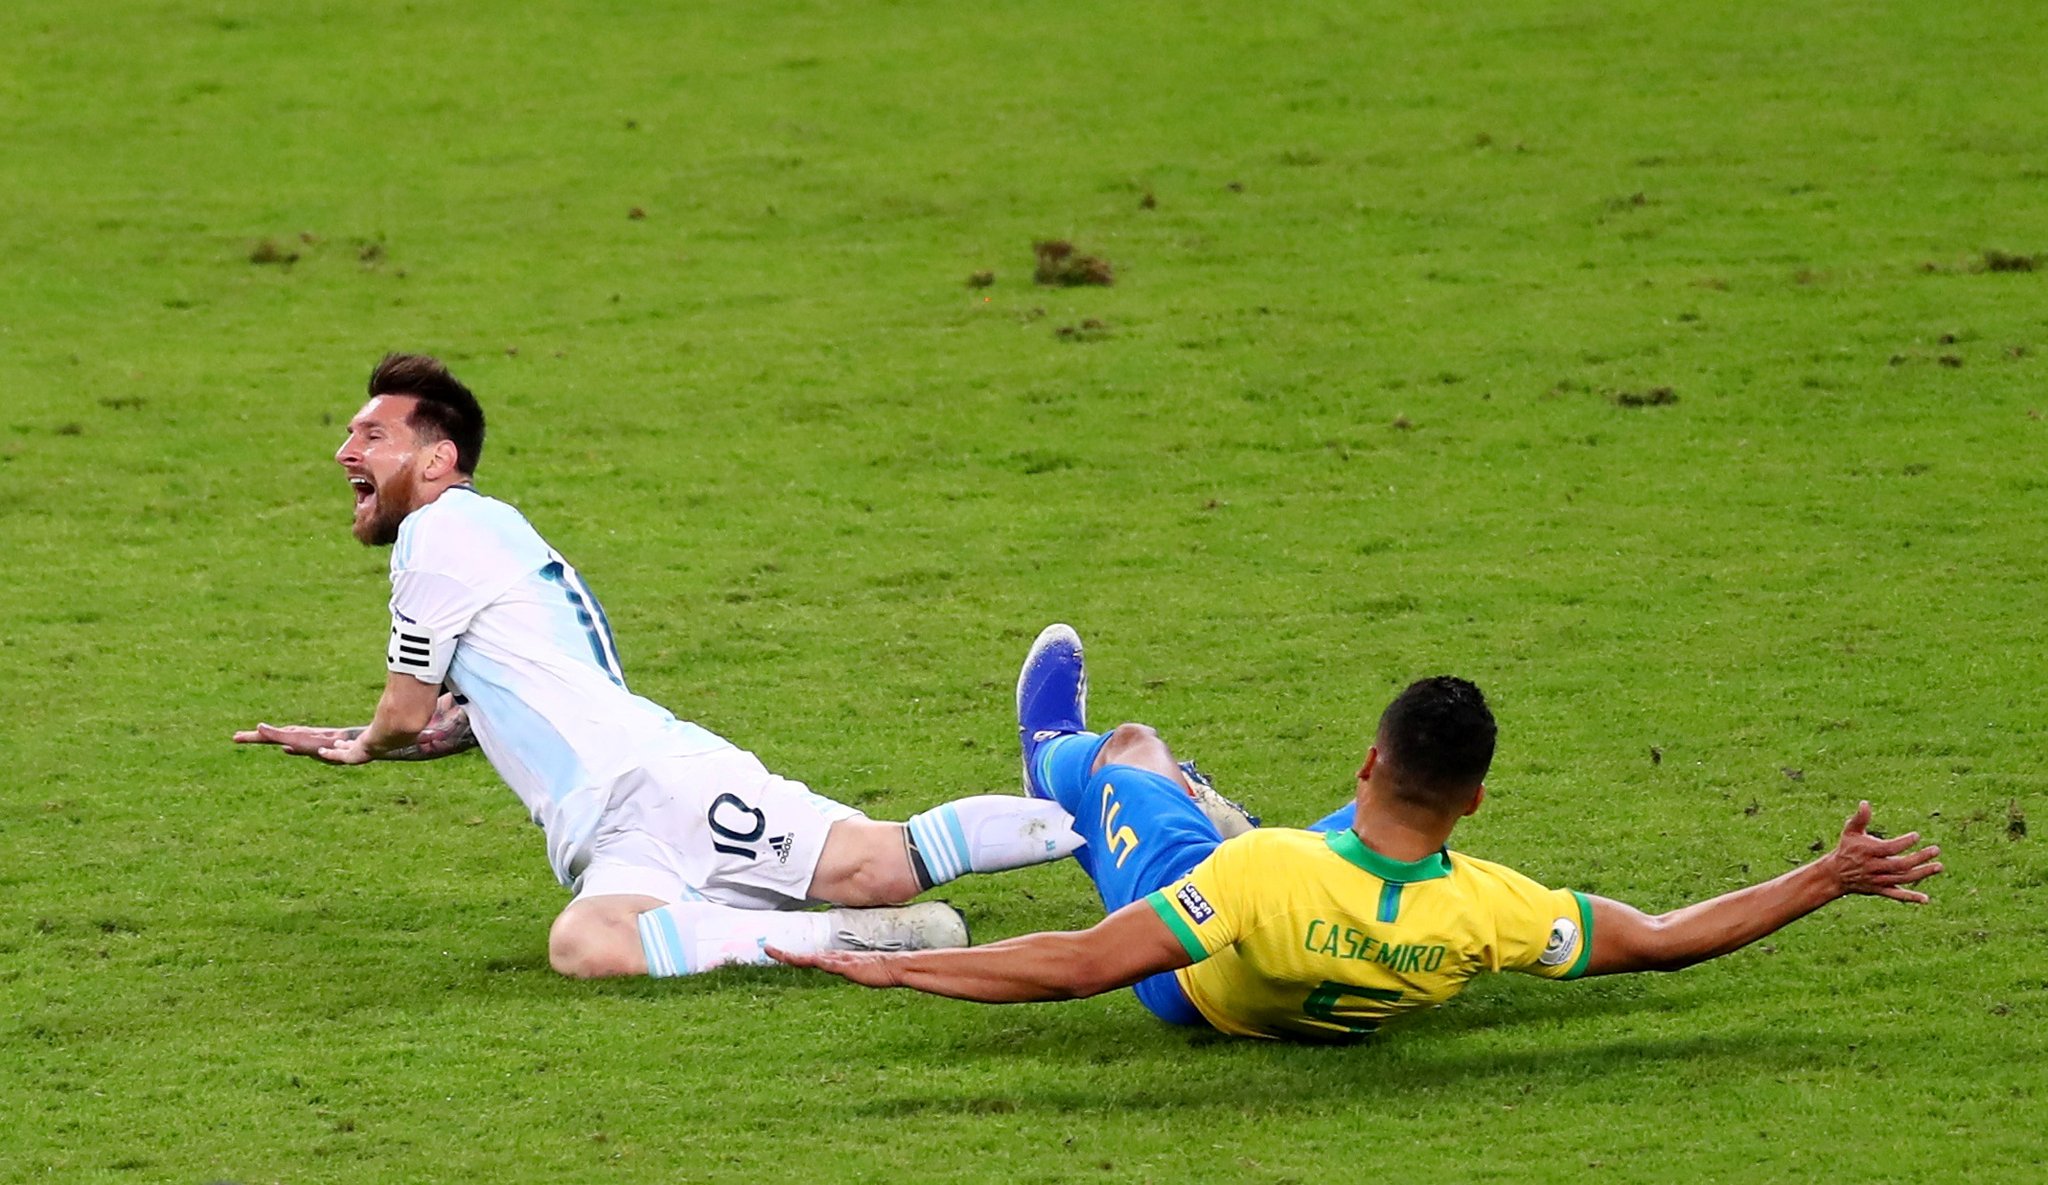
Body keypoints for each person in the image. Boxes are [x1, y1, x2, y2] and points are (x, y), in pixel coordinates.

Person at [235, 355, 1082, 979]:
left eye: (372, 435)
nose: (345, 450)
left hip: (655, 781)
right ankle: (847, 939)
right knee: (586, 942)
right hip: (611, 828)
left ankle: (1097, 791)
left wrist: (367, 742)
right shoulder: (474, 538)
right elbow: (459, 719)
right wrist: (358, 735)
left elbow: (406, 713)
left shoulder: (439, 531)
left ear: (436, 458)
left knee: (877, 866)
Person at [772, 624, 1945, 1040]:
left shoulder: (1258, 874)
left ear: (1368, 761)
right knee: (1338, 857)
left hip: (1198, 985)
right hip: (1357, 941)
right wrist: (1826, 876)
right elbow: (1662, 938)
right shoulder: (1490, 905)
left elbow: (1082, 964)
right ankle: (1177, 788)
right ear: (1473, 801)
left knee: (1127, 752)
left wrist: (902, 968)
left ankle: (1055, 760)